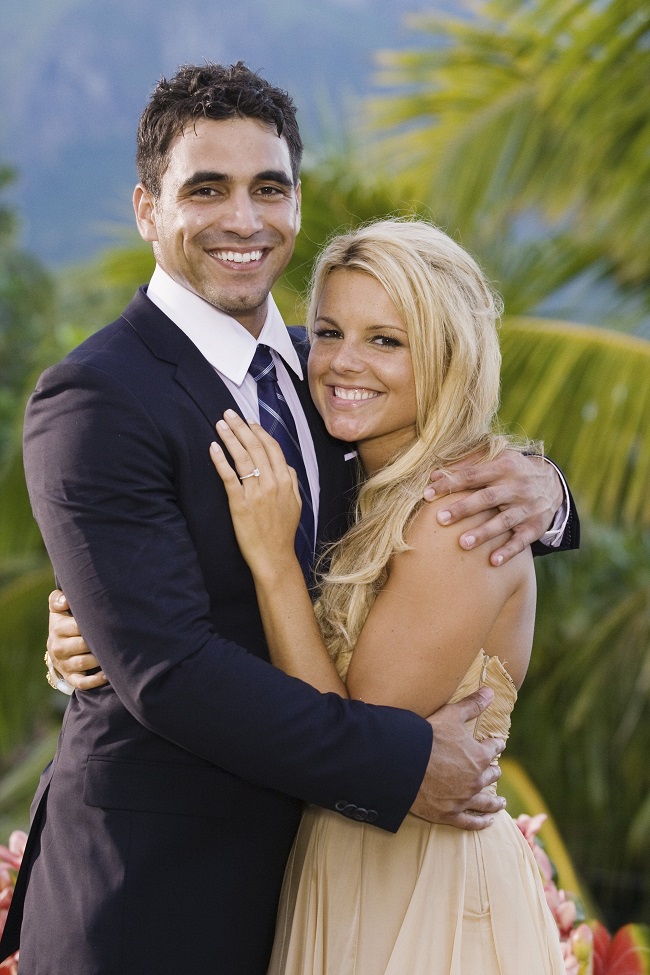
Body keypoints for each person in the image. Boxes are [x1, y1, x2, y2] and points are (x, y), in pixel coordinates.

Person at [0, 62, 577, 975]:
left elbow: (438, 467)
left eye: (268, 188)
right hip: (157, 899)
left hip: (328, 888)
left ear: (296, 203)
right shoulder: (96, 398)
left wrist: (547, 489)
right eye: (207, 189)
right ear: (148, 208)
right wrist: (401, 763)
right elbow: (170, 671)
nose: (243, 218)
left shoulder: (331, 378)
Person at [207, 218, 568, 973]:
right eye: (328, 332)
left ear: (447, 356)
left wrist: (273, 563)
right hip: (350, 867)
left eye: (386, 340)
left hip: (421, 886)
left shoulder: (457, 516)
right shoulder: (362, 481)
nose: (343, 361)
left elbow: (351, 741)